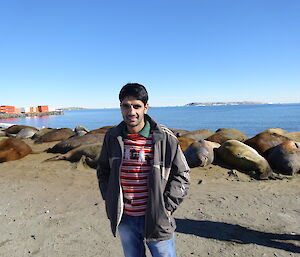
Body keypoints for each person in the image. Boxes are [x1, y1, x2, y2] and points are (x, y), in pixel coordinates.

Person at [96, 83, 190, 257]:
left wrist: (166, 207)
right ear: (120, 107)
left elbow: (182, 175)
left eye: (136, 106)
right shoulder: (112, 138)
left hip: (157, 218)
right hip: (125, 218)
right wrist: (109, 196)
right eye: (126, 106)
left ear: (146, 108)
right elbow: (103, 170)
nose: (131, 112)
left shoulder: (164, 138)